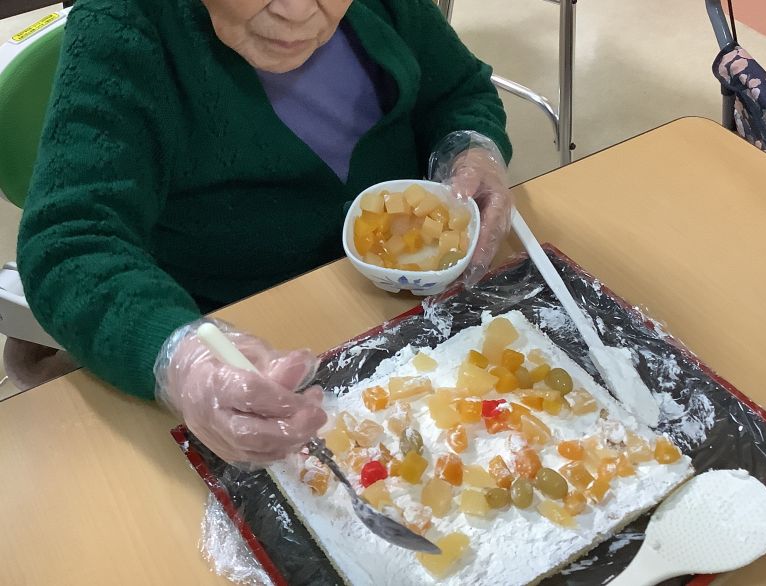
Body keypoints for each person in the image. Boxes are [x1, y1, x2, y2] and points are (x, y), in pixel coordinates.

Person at [16, 0, 513, 468]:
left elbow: (458, 92)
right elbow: (70, 242)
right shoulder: (126, 24)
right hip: (244, 354)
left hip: (411, 327)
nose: (296, 11)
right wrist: (179, 357)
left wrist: (470, 147)